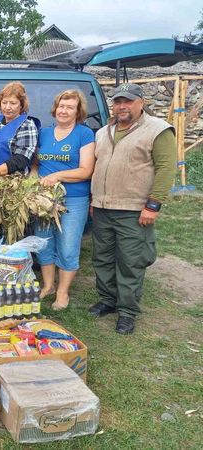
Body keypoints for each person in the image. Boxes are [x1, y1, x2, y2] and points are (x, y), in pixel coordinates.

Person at [89, 83, 176, 334]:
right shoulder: (104, 131)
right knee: (102, 258)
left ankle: (127, 311)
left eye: (127, 101)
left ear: (141, 102)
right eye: (117, 102)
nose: (122, 106)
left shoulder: (157, 130)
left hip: (133, 209)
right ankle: (107, 300)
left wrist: (153, 205)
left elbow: (166, 168)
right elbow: (99, 166)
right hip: (103, 206)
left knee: (130, 261)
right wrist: (96, 199)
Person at [32, 90, 95, 310]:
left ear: (78, 111)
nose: (64, 110)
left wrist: (57, 176)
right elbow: (36, 163)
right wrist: (33, 181)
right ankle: (48, 285)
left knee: (68, 245)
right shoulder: (45, 133)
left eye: (70, 107)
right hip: (44, 199)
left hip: (73, 198)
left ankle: (62, 292)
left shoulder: (84, 134)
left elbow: (86, 170)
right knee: (44, 243)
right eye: (61, 105)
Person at [0, 81, 39, 187]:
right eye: (4, 103)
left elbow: (21, 159)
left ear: (21, 105)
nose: (7, 107)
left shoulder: (26, 124)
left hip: (13, 183)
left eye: (13, 103)